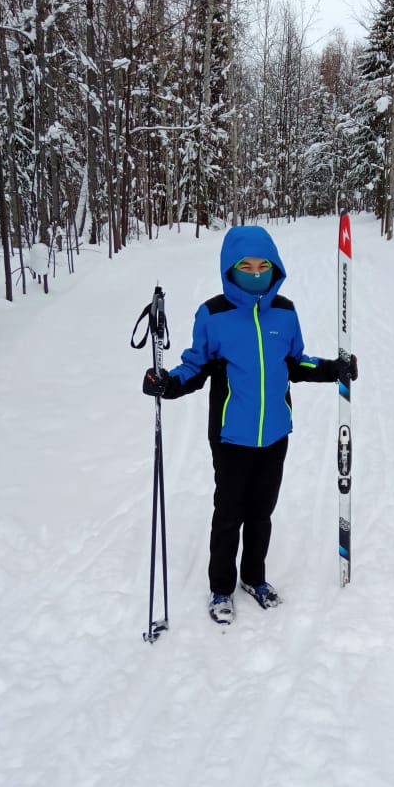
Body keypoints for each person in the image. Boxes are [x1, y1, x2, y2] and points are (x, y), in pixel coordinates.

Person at [142, 225, 357, 625]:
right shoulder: (213, 314)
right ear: (230, 268)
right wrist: (168, 383)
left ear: (274, 267)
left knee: (261, 512)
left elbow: (296, 363)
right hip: (231, 435)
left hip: (275, 433)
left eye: (263, 265)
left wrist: (335, 370)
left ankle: (254, 578)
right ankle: (220, 587)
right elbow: (196, 366)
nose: (255, 272)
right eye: (246, 265)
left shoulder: (286, 312)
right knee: (229, 513)